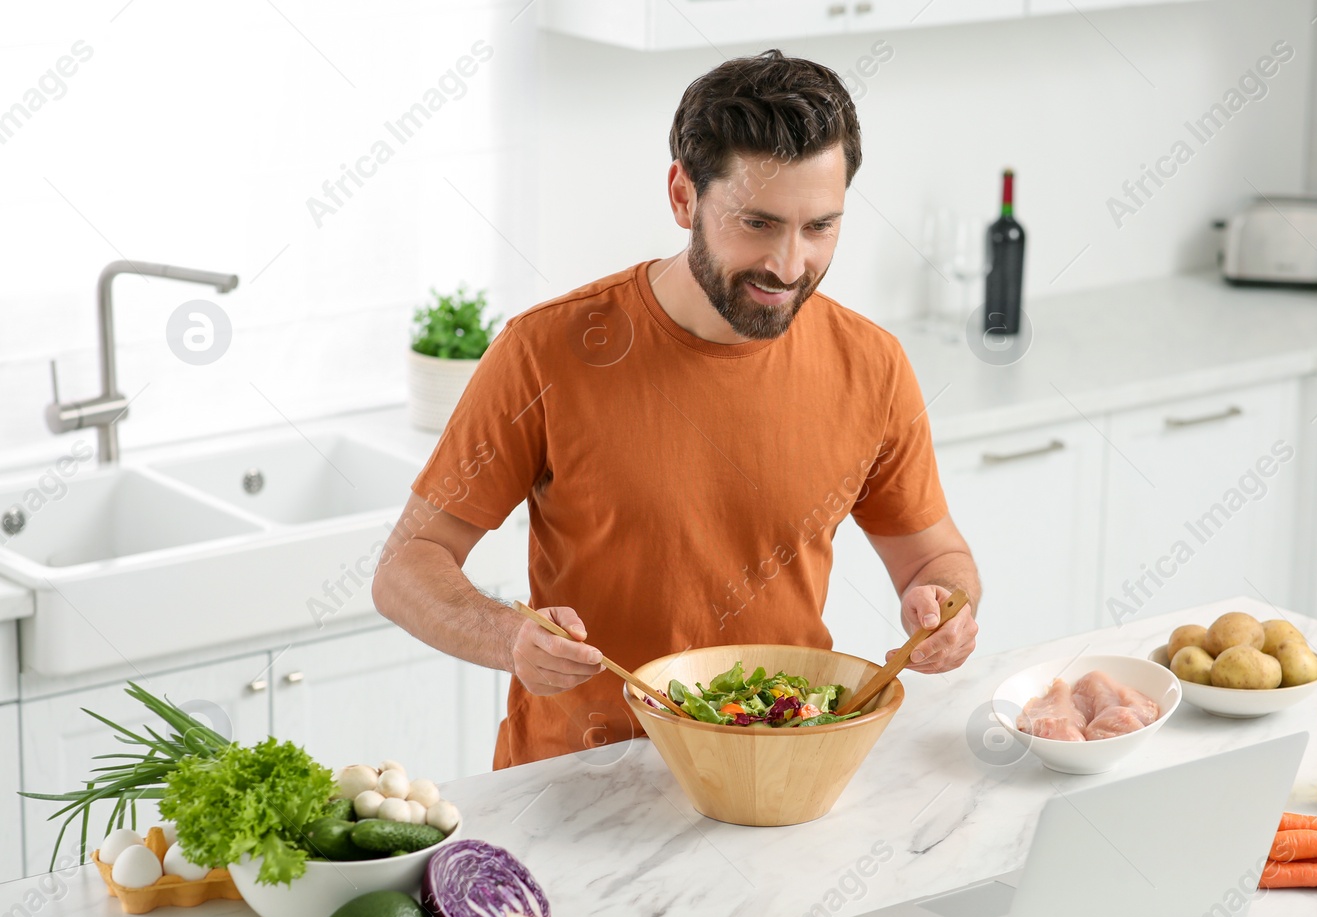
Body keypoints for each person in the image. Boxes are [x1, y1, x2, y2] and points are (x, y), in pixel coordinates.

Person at [373, 49, 981, 768]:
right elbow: (405, 567)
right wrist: (509, 637)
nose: (788, 265)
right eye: (756, 223)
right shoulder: (546, 353)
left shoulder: (871, 365)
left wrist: (946, 607)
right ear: (683, 197)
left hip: (780, 769)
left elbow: (936, 559)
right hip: (579, 784)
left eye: (819, 227)